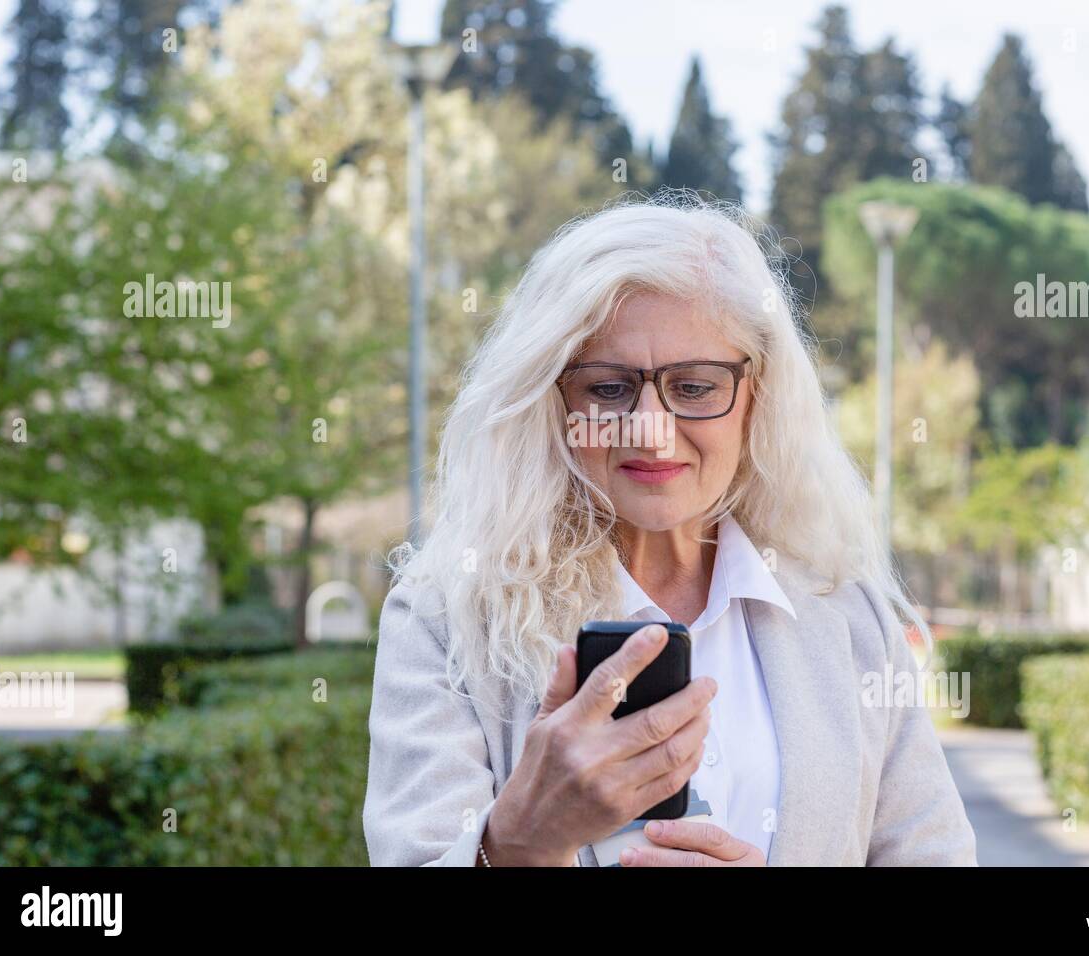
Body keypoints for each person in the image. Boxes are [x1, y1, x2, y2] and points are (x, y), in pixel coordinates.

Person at [363, 190, 977, 866]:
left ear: (757, 399)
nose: (652, 433)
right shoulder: (446, 616)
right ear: (549, 399)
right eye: (607, 387)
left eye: (694, 387)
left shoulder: (848, 616)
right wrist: (517, 843)